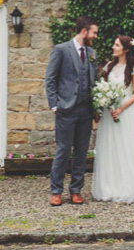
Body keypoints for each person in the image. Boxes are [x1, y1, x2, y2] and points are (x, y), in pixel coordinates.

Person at [45, 16, 98, 206]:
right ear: (84, 31)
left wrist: (97, 107)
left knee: (81, 152)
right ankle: (56, 191)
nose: (95, 36)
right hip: (66, 110)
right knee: (63, 150)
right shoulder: (61, 49)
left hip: (86, 110)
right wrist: (54, 104)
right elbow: (50, 79)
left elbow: (94, 80)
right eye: (94, 32)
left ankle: (76, 190)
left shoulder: (92, 52)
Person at [92, 34, 134, 203]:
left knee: (125, 147)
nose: (113, 47)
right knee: (110, 147)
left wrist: (121, 108)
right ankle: (110, 187)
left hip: (126, 111)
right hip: (111, 113)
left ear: (125, 49)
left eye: (116, 45)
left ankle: (127, 187)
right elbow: (104, 88)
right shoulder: (109, 66)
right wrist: (105, 103)